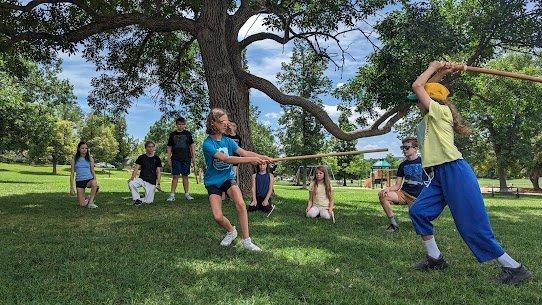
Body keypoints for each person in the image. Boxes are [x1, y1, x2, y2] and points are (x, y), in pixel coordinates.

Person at [409, 61, 532, 284]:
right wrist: (441, 73)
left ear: (430, 101)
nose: (416, 103)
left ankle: (514, 268)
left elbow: (418, 85)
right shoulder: (429, 117)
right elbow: (424, 89)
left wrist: (432, 66)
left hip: (455, 171)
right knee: (419, 211)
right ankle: (435, 258)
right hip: (438, 176)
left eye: (419, 101)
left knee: (471, 226)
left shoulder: (440, 111)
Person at [202, 108, 272, 251]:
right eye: (222, 122)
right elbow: (226, 159)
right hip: (213, 181)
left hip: (228, 178)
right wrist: (251, 160)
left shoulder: (229, 141)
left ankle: (247, 241)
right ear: (213, 123)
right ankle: (231, 231)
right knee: (217, 216)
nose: (225, 125)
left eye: (226, 122)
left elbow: (244, 152)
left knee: (240, 204)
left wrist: (262, 157)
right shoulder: (207, 144)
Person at [378, 137, 426, 232]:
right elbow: (397, 185)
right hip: (404, 194)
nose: (404, 150)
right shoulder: (402, 165)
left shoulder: (424, 162)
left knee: (418, 223)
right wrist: (388, 189)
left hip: (418, 197)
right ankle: (393, 224)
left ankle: (419, 219)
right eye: (402, 148)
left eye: (407, 147)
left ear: (415, 148)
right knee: (383, 195)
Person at [166, 117, 196, 202]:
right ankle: (172, 195)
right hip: (175, 158)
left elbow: (192, 145)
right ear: (176, 125)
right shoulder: (172, 134)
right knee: (175, 176)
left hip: (186, 158)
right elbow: (169, 146)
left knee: (185, 176)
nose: (181, 126)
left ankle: (187, 194)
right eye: (179, 124)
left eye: (183, 124)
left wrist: (193, 157)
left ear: (185, 125)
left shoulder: (188, 134)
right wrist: (168, 158)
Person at [128, 140, 162, 206]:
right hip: (142, 179)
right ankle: (137, 199)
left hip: (152, 181)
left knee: (149, 202)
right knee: (131, 183)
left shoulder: (157, 158)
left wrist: (158, 183)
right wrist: (132, 178)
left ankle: (139, 200)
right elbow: (136, 168)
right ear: (145, 148)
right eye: (149, 147)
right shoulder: (141, 157)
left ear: (154, 148)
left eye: (152, 147)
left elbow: (158, 172)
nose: (151, 148)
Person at [69, 141, 99, 209]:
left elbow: (92, 171)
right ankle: (88, 198)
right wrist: (71, 188)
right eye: (82, 148)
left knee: (94, 183)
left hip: (89, 180)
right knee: (82, 205)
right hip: (79, 182)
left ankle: (90, 203)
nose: (84, 149)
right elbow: (72, 173)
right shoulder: (74, 159)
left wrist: (96, 182)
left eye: (86, 148)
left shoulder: (90, 159)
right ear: (79, 149)